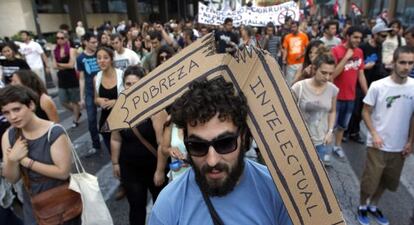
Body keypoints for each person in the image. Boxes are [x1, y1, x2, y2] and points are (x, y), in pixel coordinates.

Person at [149, 78, 292, 225]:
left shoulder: (278, 192)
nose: (212, 160)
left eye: (225, 143)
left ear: (243, 137)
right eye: (198, 145)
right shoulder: (168, 205)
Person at [0, 85, 80, 225]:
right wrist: (12, 160)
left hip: (60, 201)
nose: (12, 117)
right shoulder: (9, 135)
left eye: (17, 109)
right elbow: (12, 179)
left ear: (31, 105)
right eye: (6, 112)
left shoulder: (54, 132)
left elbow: (62, 173)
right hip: (32, 203)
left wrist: (24, 161)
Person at [357, 46, 414, 225]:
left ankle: (373, 205)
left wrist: (411, 142)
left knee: (388, 181)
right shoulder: (378, 86)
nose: (406, 66)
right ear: (393, 62)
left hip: (400, 147)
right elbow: (365, 111)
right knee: (370, 180)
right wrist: (374, 134)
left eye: (411, 63)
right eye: (402, 62)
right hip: (378, 144)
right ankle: (361, 206)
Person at [111, 65, 167, 225]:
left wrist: (160, 170)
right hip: (130, 168)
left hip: (153, 166)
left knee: (161, 207)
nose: (132, 87)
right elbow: (116, 138)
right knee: (136, 207)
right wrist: (115, 162)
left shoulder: (156, 109)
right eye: (128, 84)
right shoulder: (120, 109)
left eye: (136, 83)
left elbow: (162, 144)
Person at [346, 23, 391, 144]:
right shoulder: (363, 48)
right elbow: (355, 66)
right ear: (375, 35)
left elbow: (378, 65)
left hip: (372, 84)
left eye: (386, 36)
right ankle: (346, 131)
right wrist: (365, 67)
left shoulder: (379, 47)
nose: (384, 38)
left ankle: (354, 132)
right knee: (355, 110)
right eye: (382, 35)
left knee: (363, 110)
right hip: (358, 83)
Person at [291, 54, 338, 166]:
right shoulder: (299, 87)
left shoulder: (333, 90)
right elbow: (286, 111)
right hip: (299, 142)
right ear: (314, 69)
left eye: (330, 74)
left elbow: (332, 111)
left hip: (320, 143)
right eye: (323, 72)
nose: (327, 77)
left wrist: (330, 131)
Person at [331, 26, 368, 160]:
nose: (358, 40)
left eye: (360, 38)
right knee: (331, 126)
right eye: (355, 37)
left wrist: (368, 94)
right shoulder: (336, 50)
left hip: (351, 97)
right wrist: (346, 58)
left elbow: (361, 75)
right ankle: (327, 151)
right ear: (347, 36)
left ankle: (337, 146)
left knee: (342, 126)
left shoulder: (359, 52)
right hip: (335, 97)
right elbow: (332, 74)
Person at [94, 46, 124, 151]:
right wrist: (98, 101)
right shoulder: (97, 77)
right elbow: (95, 99)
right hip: (105, 123)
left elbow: (130, 97)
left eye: (105, 58)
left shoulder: (122, 75)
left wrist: (116, 102)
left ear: (111, 59)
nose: (102, 61)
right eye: (99, 58)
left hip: (122, 122)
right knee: (113, 156)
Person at [77, 32, 102, 154]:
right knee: (91, 120)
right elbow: (81, 78)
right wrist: (81, 98)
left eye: (96, 42)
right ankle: (96, 144)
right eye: (92, 42)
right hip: (89, 92)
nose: (95, 44)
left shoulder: (100, 54)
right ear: (85, 42)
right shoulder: (80, 58)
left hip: (103, 91)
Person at [53, 31, 81, 128]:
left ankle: (75, 119)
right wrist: (63, 66)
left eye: (62, 38)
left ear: (66, 39)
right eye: (57, 38)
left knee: (74, 101)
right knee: (63, 101)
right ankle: (76, 112)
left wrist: (59, 65)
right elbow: (54, 66)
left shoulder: (71, 50)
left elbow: (71, 65)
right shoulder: (55, 51)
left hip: (71, 77)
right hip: (61, 78)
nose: (59, 40)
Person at [282, 21, 310, 86]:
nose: (293, 29)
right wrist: (284, 58)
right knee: (290, 83)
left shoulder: (304, 36)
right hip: (290, 64)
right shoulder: (287, 37)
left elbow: (308, 49)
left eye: (294, 27)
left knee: (300, 81)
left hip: (301, 63)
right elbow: (285, 49)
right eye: (291, 27)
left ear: (298, 27)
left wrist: (301, 55)